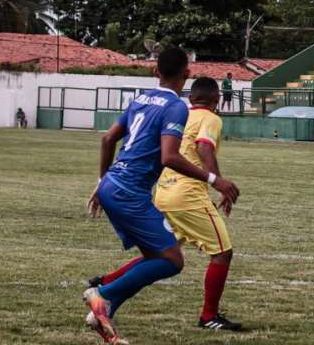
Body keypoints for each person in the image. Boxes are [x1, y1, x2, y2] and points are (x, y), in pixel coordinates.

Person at [83, 48, 240, 344]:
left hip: (114, 184)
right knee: (171, 261)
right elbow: (169, 156)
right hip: (130, 192)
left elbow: (107, 139)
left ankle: (103, 309)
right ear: (187, 73)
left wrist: (101, 181)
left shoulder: (140, 98)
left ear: (155, 72)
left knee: (156, 255)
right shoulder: (176, 106)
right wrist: (213, 179)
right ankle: (102, 296)